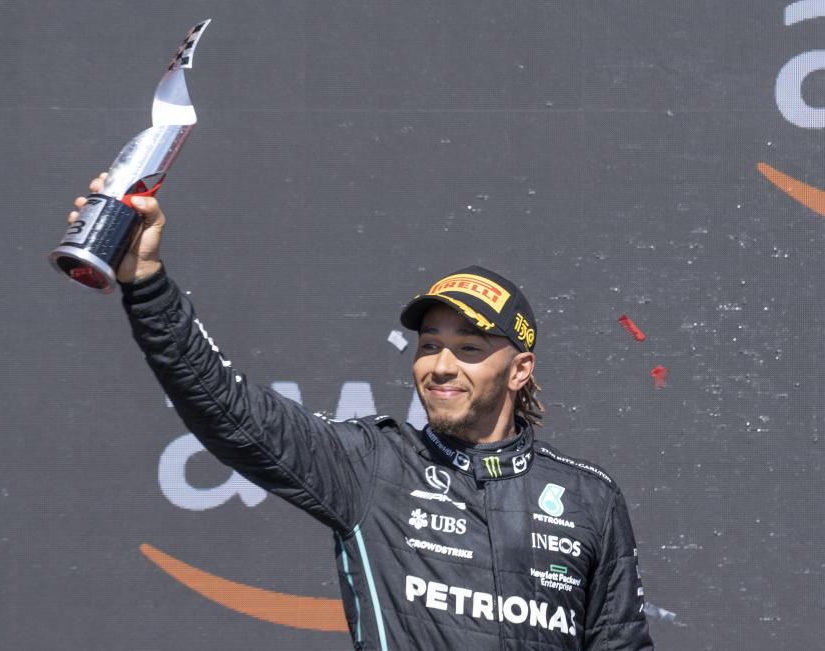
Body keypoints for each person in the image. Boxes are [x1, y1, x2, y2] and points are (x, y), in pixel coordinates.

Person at [69, 175, 654, 650]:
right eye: (429, 346)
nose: (441, 366)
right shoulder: (374, 467)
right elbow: (226, 405)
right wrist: (145, 282)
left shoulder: (589, 498)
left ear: (519, 370)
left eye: (469, 349)